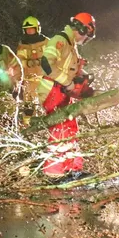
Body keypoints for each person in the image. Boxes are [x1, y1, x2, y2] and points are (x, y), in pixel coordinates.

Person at [37, 13, 96, 179]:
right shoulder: (60, 40)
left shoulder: (71, 46)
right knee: (60, 129)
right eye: (86, 35)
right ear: (82, 29)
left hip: (61, 92)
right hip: (52, 90)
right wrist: (68, 82)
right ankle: (53, 173)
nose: (86, 39)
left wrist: (84, 78)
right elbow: (46, 63)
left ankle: (73, 169)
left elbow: (72, 69)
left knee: (70, 127)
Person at [15, 16, 49, 126]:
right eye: (27, 30)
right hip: (29, 81)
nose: (29, 31)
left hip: (45, 80)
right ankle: (28, 127)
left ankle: (48, 126)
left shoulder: (46, 42)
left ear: (37, 29)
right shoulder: (22, 45)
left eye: (31, 29)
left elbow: (52, 58)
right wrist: (28, 63)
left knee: (47, 104)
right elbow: (19, 61)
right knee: (28, 107)